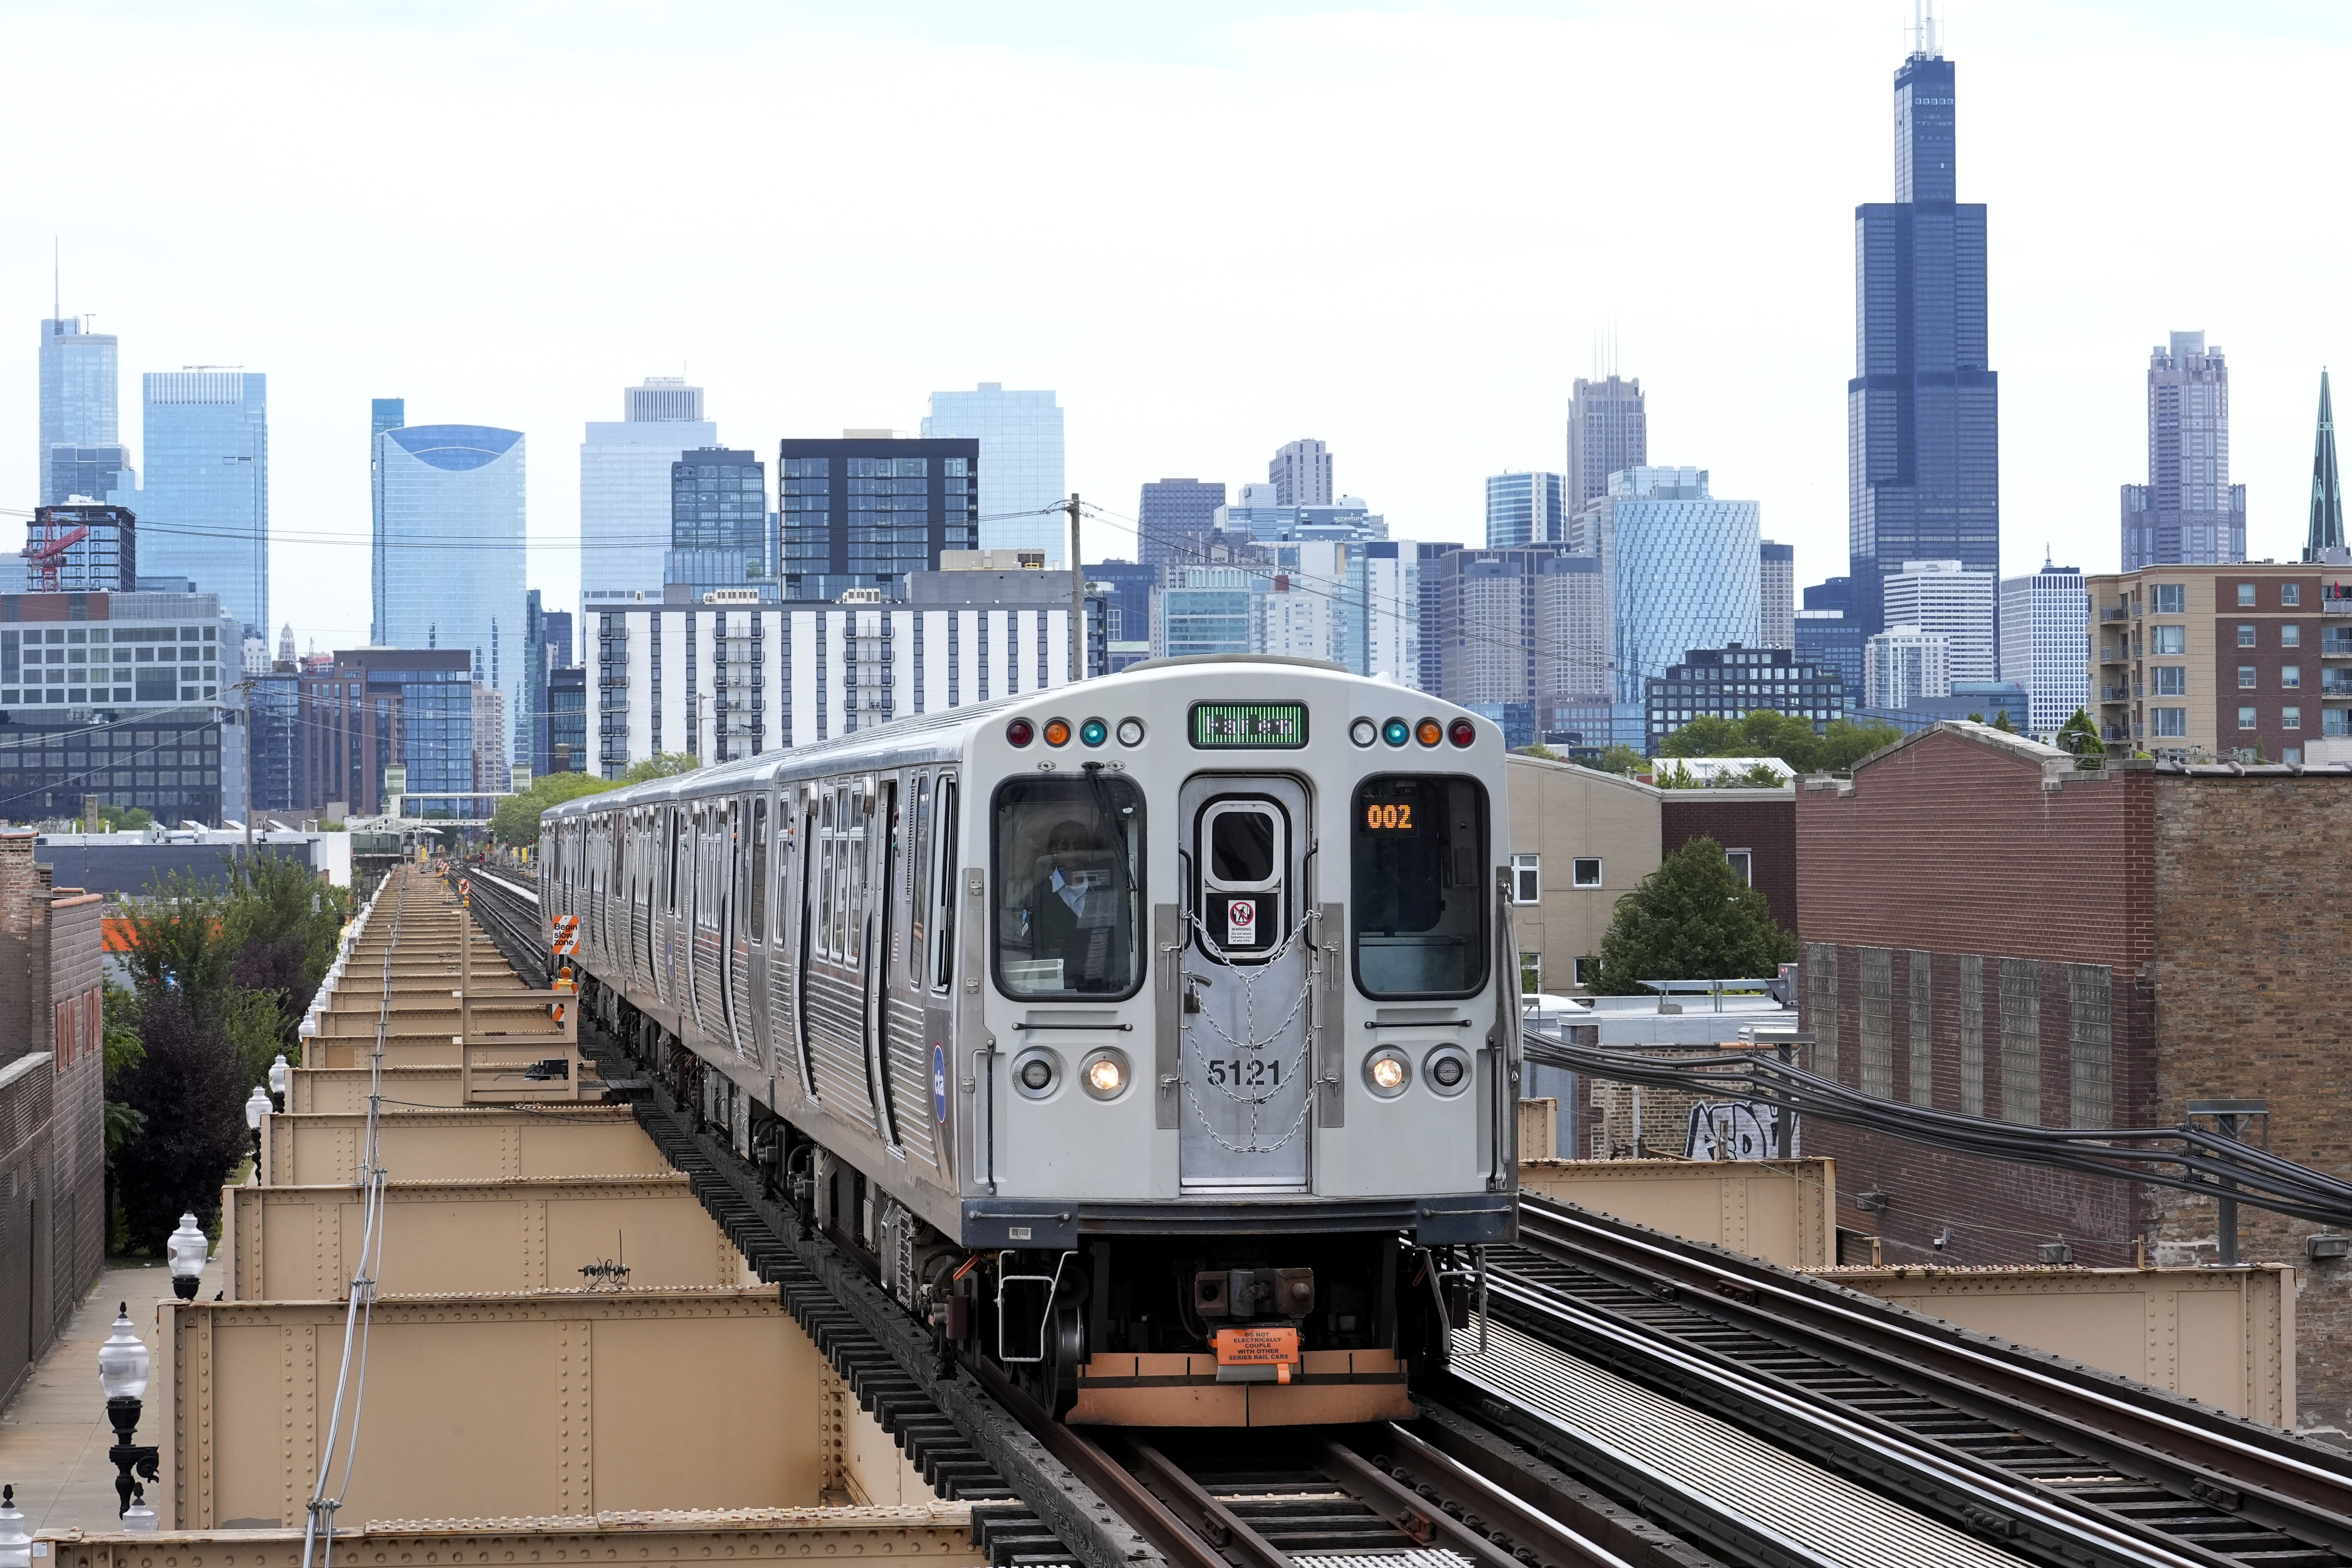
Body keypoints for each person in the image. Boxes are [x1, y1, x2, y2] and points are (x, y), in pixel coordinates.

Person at [1029, 817, 1120, 991]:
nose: (1073, 852)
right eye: (1065, 846)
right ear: (1052, 851)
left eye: (1079, 846)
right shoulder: (1039, 893)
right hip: (1054, 993)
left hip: (1105, 991)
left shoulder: (1106, 887)